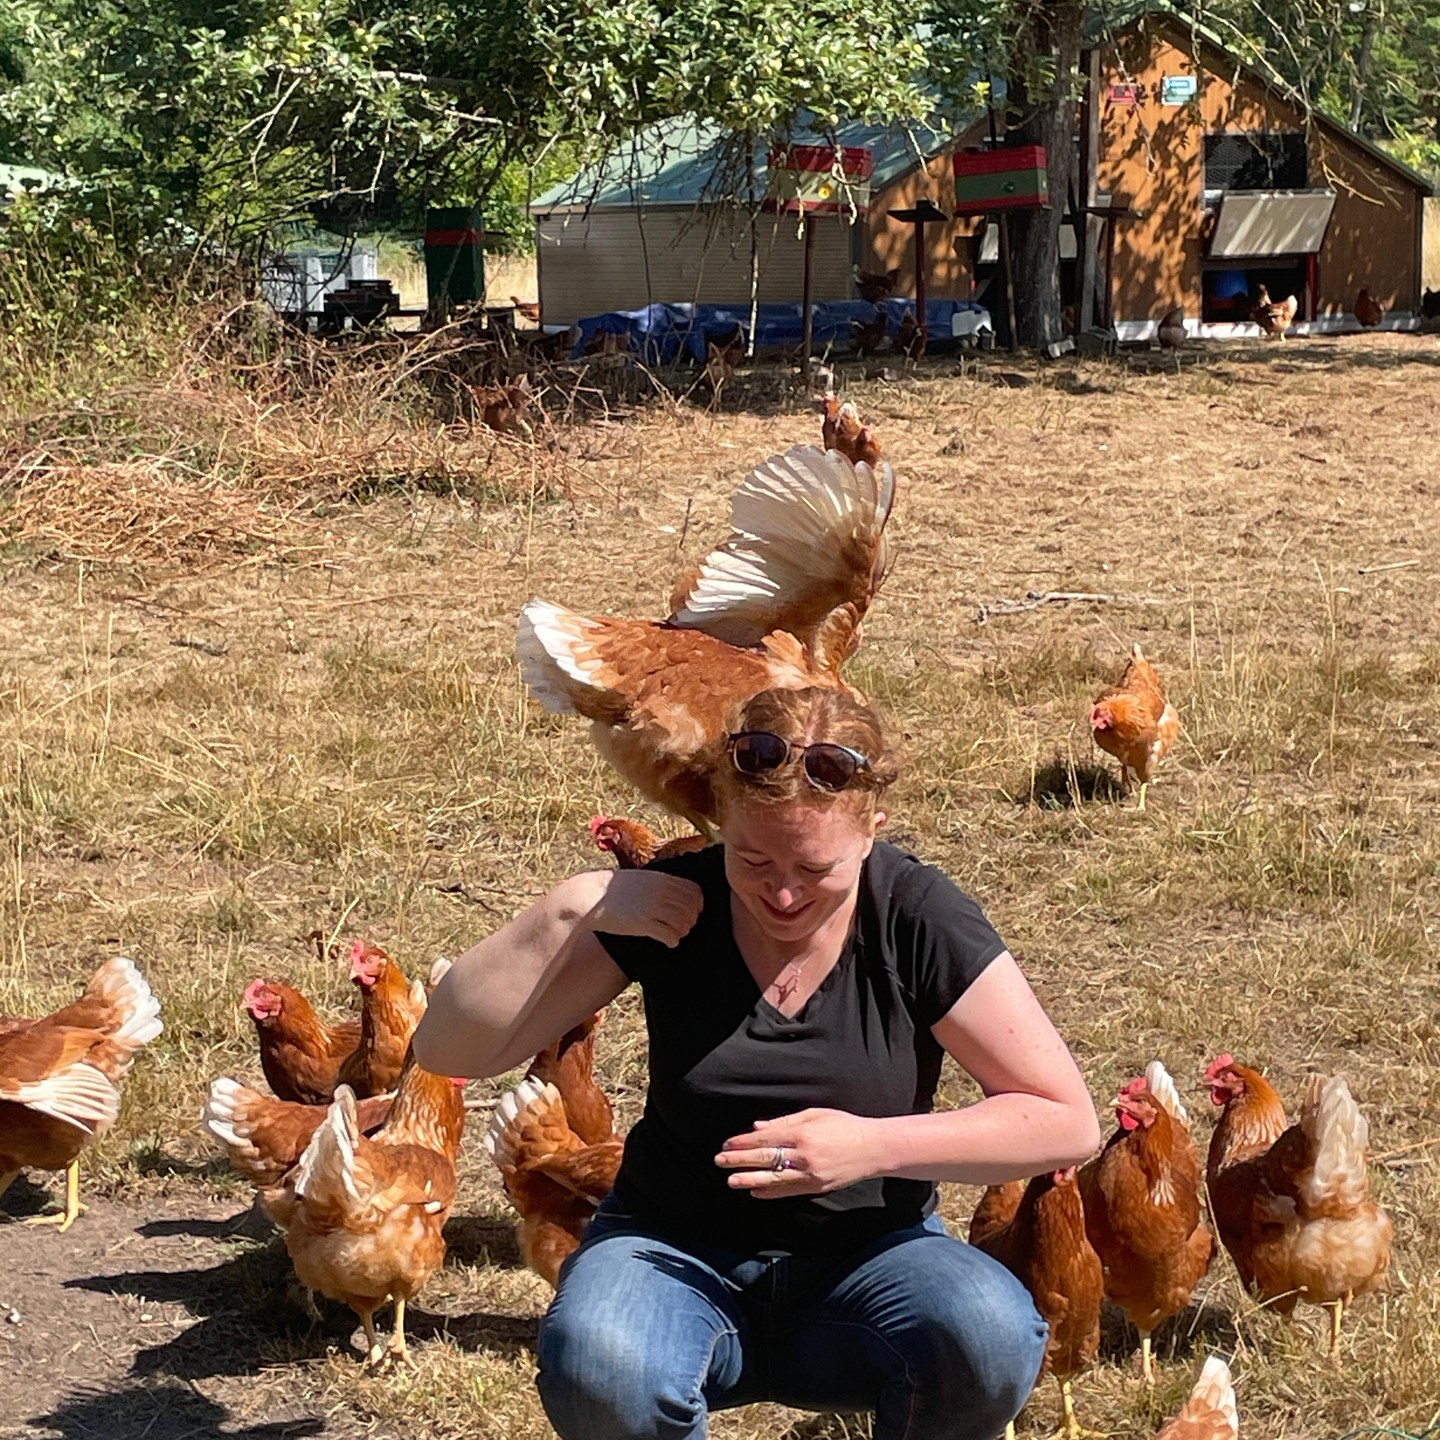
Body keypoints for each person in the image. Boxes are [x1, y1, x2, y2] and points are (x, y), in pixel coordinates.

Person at [414, 685, 1101, 1440]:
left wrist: (872, 1147)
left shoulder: (914, 915)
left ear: (873, 829)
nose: (780, 891)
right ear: (719, 816)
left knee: (989, 1334)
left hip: (873, 1260)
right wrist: (570, 907)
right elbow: (451, 1050)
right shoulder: (675, 906)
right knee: (598, 1361)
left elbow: (1065, 1121)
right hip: (671, 1253)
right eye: (752, 857)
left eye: (814, 869)